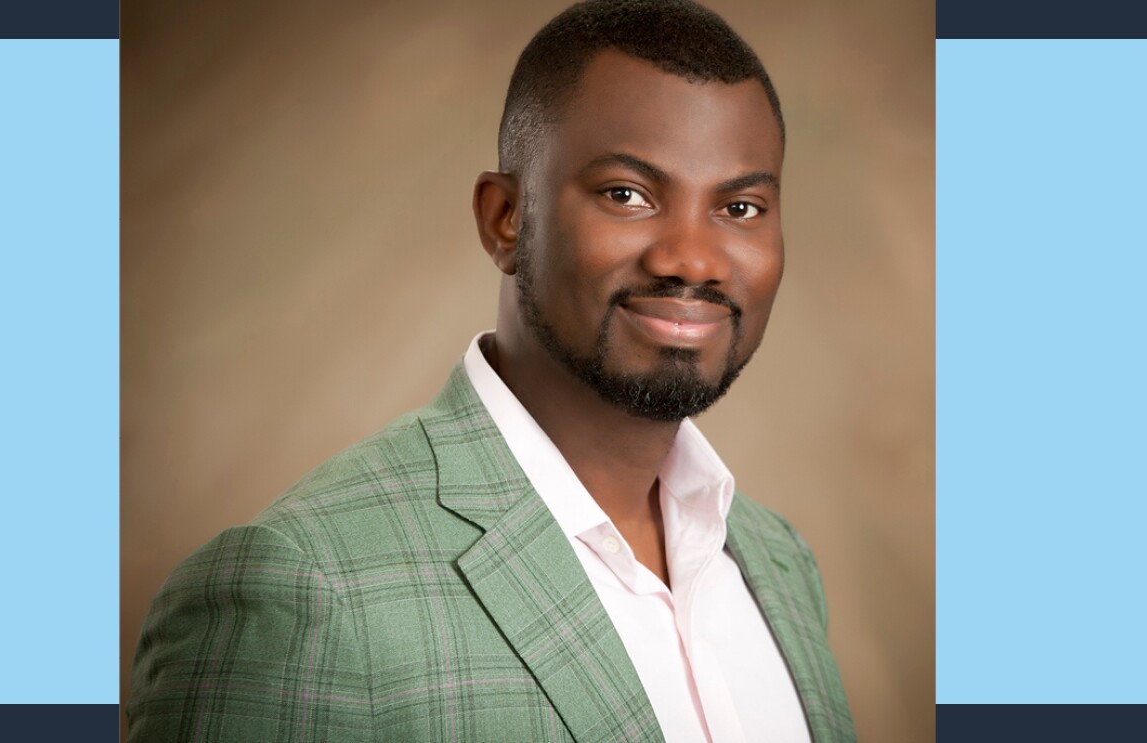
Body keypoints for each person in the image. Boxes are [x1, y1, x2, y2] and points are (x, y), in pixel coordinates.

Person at [127, 1, 855, 740]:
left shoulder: (778, 564)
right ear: (506, 217)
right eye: (626, 195)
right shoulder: (301, 591)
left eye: (739, 205)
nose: (691, 259)